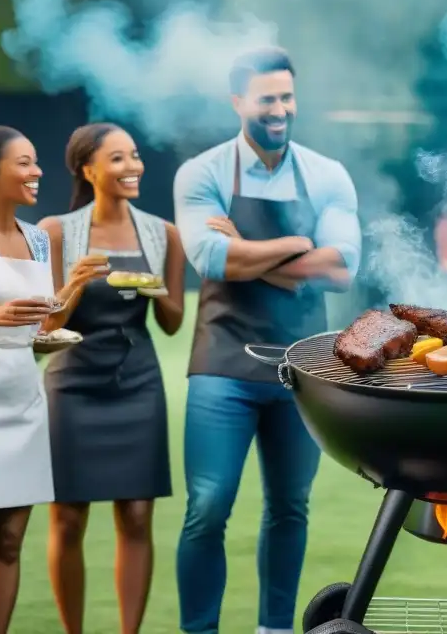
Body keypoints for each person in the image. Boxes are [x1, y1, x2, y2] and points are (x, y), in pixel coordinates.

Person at [173, 47, 361, 634]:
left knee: (289, 508)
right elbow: (209, 258)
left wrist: (247, 251)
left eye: (287, 97)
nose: (280, 109)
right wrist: (298, 245)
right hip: (222, 361)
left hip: (301, 364)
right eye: (267, 99)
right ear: (238, 103)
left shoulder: (326, 173)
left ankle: (275, 629)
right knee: (207, 508)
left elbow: (343, 268)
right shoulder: (202, 173)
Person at [0, 124, 106, 633]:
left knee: (9, 545)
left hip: (22, 398)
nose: (37, 172)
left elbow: (45, 322)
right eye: (25, 162)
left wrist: (74, 282)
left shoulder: (37, 238)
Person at [39, 123, 186, 634]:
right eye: (118, 158)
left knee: (138, 517)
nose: (133, 167)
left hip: (139, 382)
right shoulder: (56, 232)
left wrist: (154, 286)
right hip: (73, 384)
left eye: (136, 156)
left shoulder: (162, 233)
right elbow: (48, 323)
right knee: (68, 518)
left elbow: (172, 322)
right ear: (89, 169)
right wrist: (77, 280)